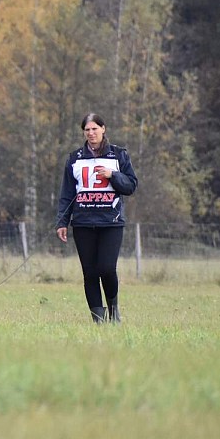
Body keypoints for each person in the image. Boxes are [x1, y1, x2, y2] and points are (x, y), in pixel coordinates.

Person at [55, 114, 138, 323]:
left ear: (103, 129)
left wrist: (113, 175)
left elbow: (131, 186)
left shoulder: (119, 155)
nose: (91, 133)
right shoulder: (74, 158)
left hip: (111, 222)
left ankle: (113, 311)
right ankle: (97, 321)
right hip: (82, 222)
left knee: (107, 269)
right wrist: (62, 222)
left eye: (94, 129)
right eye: (87, 130)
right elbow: (67, 193)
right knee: (90, 273)